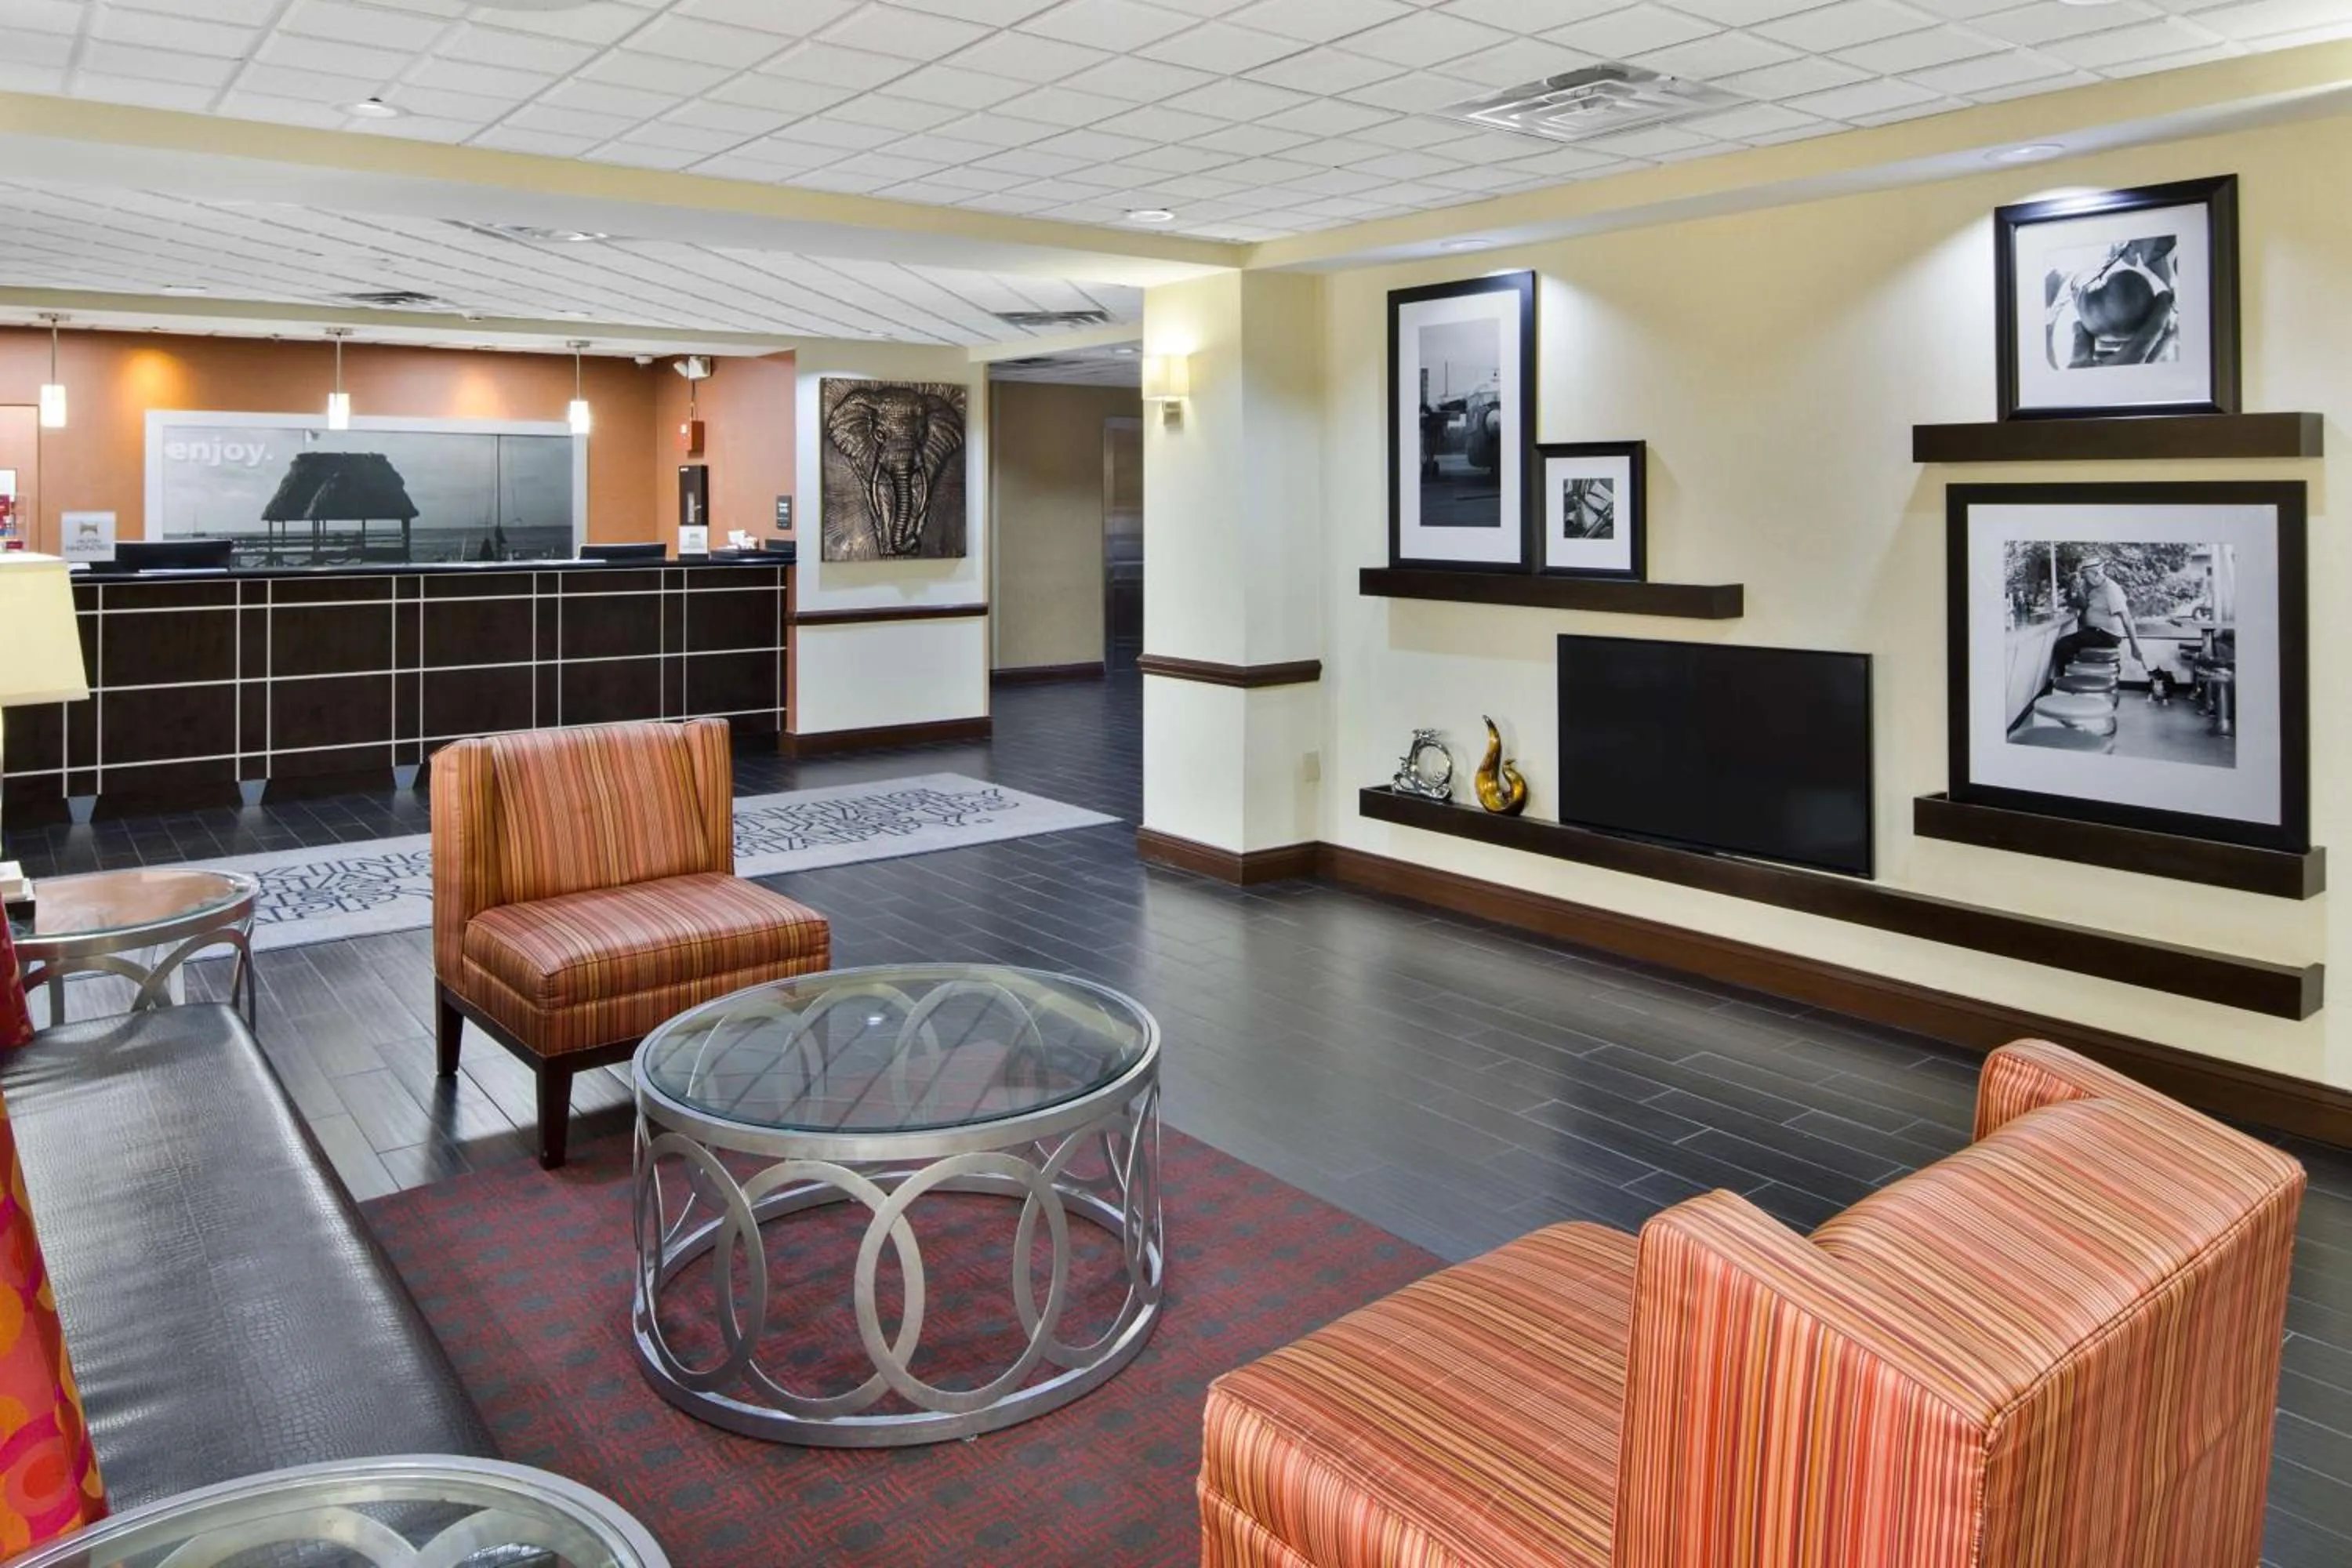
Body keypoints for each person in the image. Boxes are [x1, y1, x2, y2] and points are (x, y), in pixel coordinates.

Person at [2051, 556, 2146, 685]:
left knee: (2063, 645)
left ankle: (2063, 682)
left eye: (2085, 576)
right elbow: (2082, 605)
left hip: (2108, 634)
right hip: (2095, 632)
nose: (2084, 580)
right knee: (2069, 644)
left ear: (2096, 573)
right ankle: (2074, 680)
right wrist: (2075, 589)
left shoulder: (2111, 589)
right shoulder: (2092, 587)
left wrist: (2135, 647)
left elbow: (2127, 618)